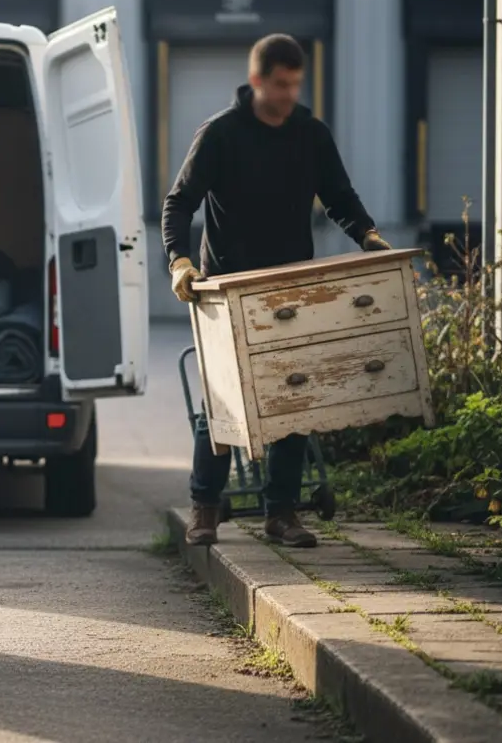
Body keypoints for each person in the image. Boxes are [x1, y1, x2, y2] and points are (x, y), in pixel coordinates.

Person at [162, 34, 391, 549]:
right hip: (226, 290)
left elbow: (339, 196)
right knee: (224, 403)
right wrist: (179, 260)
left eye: (296, 84)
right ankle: (205, 508)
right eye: (281, 84)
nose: (289, 94)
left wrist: (368, 236)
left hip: (291, 289)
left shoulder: (309, 134)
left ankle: (282, 513)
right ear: (258, 80)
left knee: (295, 396)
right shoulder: (219, 135)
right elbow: (179, 202)